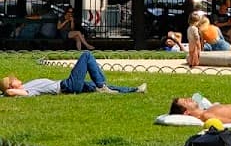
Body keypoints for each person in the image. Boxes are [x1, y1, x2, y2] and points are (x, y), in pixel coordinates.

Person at [1, 50, 146, 96]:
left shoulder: (26, 85)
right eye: (12, 80)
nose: (15, 78)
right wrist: (8, 91)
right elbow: (10, 94)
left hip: (67, 85)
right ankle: (102, 85)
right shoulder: (26, 91)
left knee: (95, 87)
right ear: (11, 87)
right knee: (86, 55)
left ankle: (134, 90)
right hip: (67, 86)